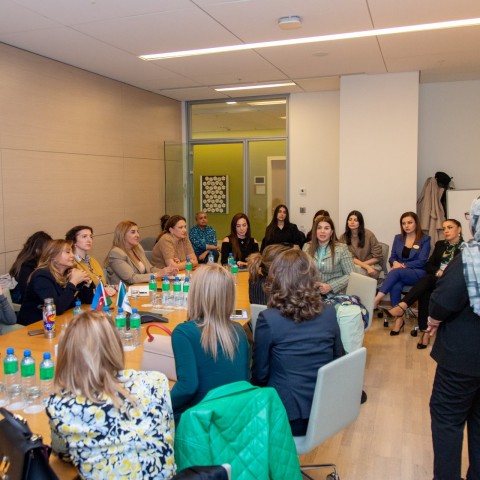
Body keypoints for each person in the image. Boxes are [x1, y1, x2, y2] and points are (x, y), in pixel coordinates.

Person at [46, 311, 176, 479]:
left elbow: (63, 454)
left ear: (67, 352)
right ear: (116, 345)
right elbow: (166, 435)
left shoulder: (60, 404)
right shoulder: (156, 381)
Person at [251, 249, 344, 435]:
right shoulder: (329, 313)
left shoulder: (268, 319)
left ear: (277, 278)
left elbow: (260, 375)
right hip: (324, 411)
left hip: (287, 416)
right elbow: (339, 360)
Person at [428, 198, 480, 480]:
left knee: (447, 420)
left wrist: (434, 318)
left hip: (463, 358)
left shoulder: (470, 258)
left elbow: (441, 303)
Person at [170, 263, 250, 422]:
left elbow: (187, 387)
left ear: (195, 293)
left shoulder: (183, 333)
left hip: (201, 422)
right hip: (235, 417)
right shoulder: (239, 330)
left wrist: (157, 404)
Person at [388, 218, 463, 349]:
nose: (446, 231)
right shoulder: (440, 245)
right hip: (437, 278)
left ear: (459, 229)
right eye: (444, 228)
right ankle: (425, 332)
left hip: (452, 281)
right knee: (425, 289)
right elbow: (429, 265)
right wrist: (438, 272)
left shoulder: (465, 248)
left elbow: (462, 271)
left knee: (426, 281)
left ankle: (403, 306)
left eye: (450, 227)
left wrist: (445, 273)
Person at [373, 212, 431, 335]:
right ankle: (399, 320)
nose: (406, 226)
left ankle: (376, 299)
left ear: (416, 223)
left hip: (417, 273)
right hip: (400, 273)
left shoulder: (425, 239)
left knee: (396, 273)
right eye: (403, 223)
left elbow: (422, 261)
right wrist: (394, 262)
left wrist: (402, 265)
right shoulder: (398, 238)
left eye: (409, 222)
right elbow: (392, 257)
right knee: (396, 284)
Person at [18, 240, 94, 325]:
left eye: (72, 252)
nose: (72, 255)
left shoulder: (69, 272)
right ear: (53, 256)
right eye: (68, 252)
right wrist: (73, 282)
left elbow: (89, 300)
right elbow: (57, 308)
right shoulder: (41, 276)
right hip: (36, 325)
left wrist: (88, 282)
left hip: (62, 321)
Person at [105, 220, 177, 285]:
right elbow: (131, 278)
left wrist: (166, 272)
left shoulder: (137, 248)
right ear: (122, 235)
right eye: (133, 232)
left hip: (140, 288)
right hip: (123, 294)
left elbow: (150, 268)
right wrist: (157, 274)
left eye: (137, 232)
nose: (137, 235)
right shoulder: (116, 253)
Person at [304, 215, 355, 295]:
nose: (322, 231)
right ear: (315, 231)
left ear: (331, 232)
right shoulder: (307, 247)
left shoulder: (341, 248)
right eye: (319, 228)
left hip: (334, 294)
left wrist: (331, 286)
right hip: (311, 293)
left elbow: (351, 274)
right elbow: (302, 271)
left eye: (326, 228)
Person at [65, 225, 116, 296]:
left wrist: (114, 287)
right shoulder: (71, 264)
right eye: (84, 236)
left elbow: (101, 284)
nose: (89, 240)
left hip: (100, 299)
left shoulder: (92, 260)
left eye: (91, 237)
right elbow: (78, 293)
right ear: (74, 241)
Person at [8, 231, 52, 303]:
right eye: (48, 249)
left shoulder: (35, 263)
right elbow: (29, 293)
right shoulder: (26, 267)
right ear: (37, 250)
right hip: (26, 305)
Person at [340, 210, 383, 278]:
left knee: (357, 275)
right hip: (352, 266)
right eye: (350, 219)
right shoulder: (343, 237)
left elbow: (378, 257)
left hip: (371, 265)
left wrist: (364, 266)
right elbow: (348, 258)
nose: (352, 222)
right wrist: (364, 266)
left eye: (355, 220)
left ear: (360, 223)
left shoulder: (369, 235)